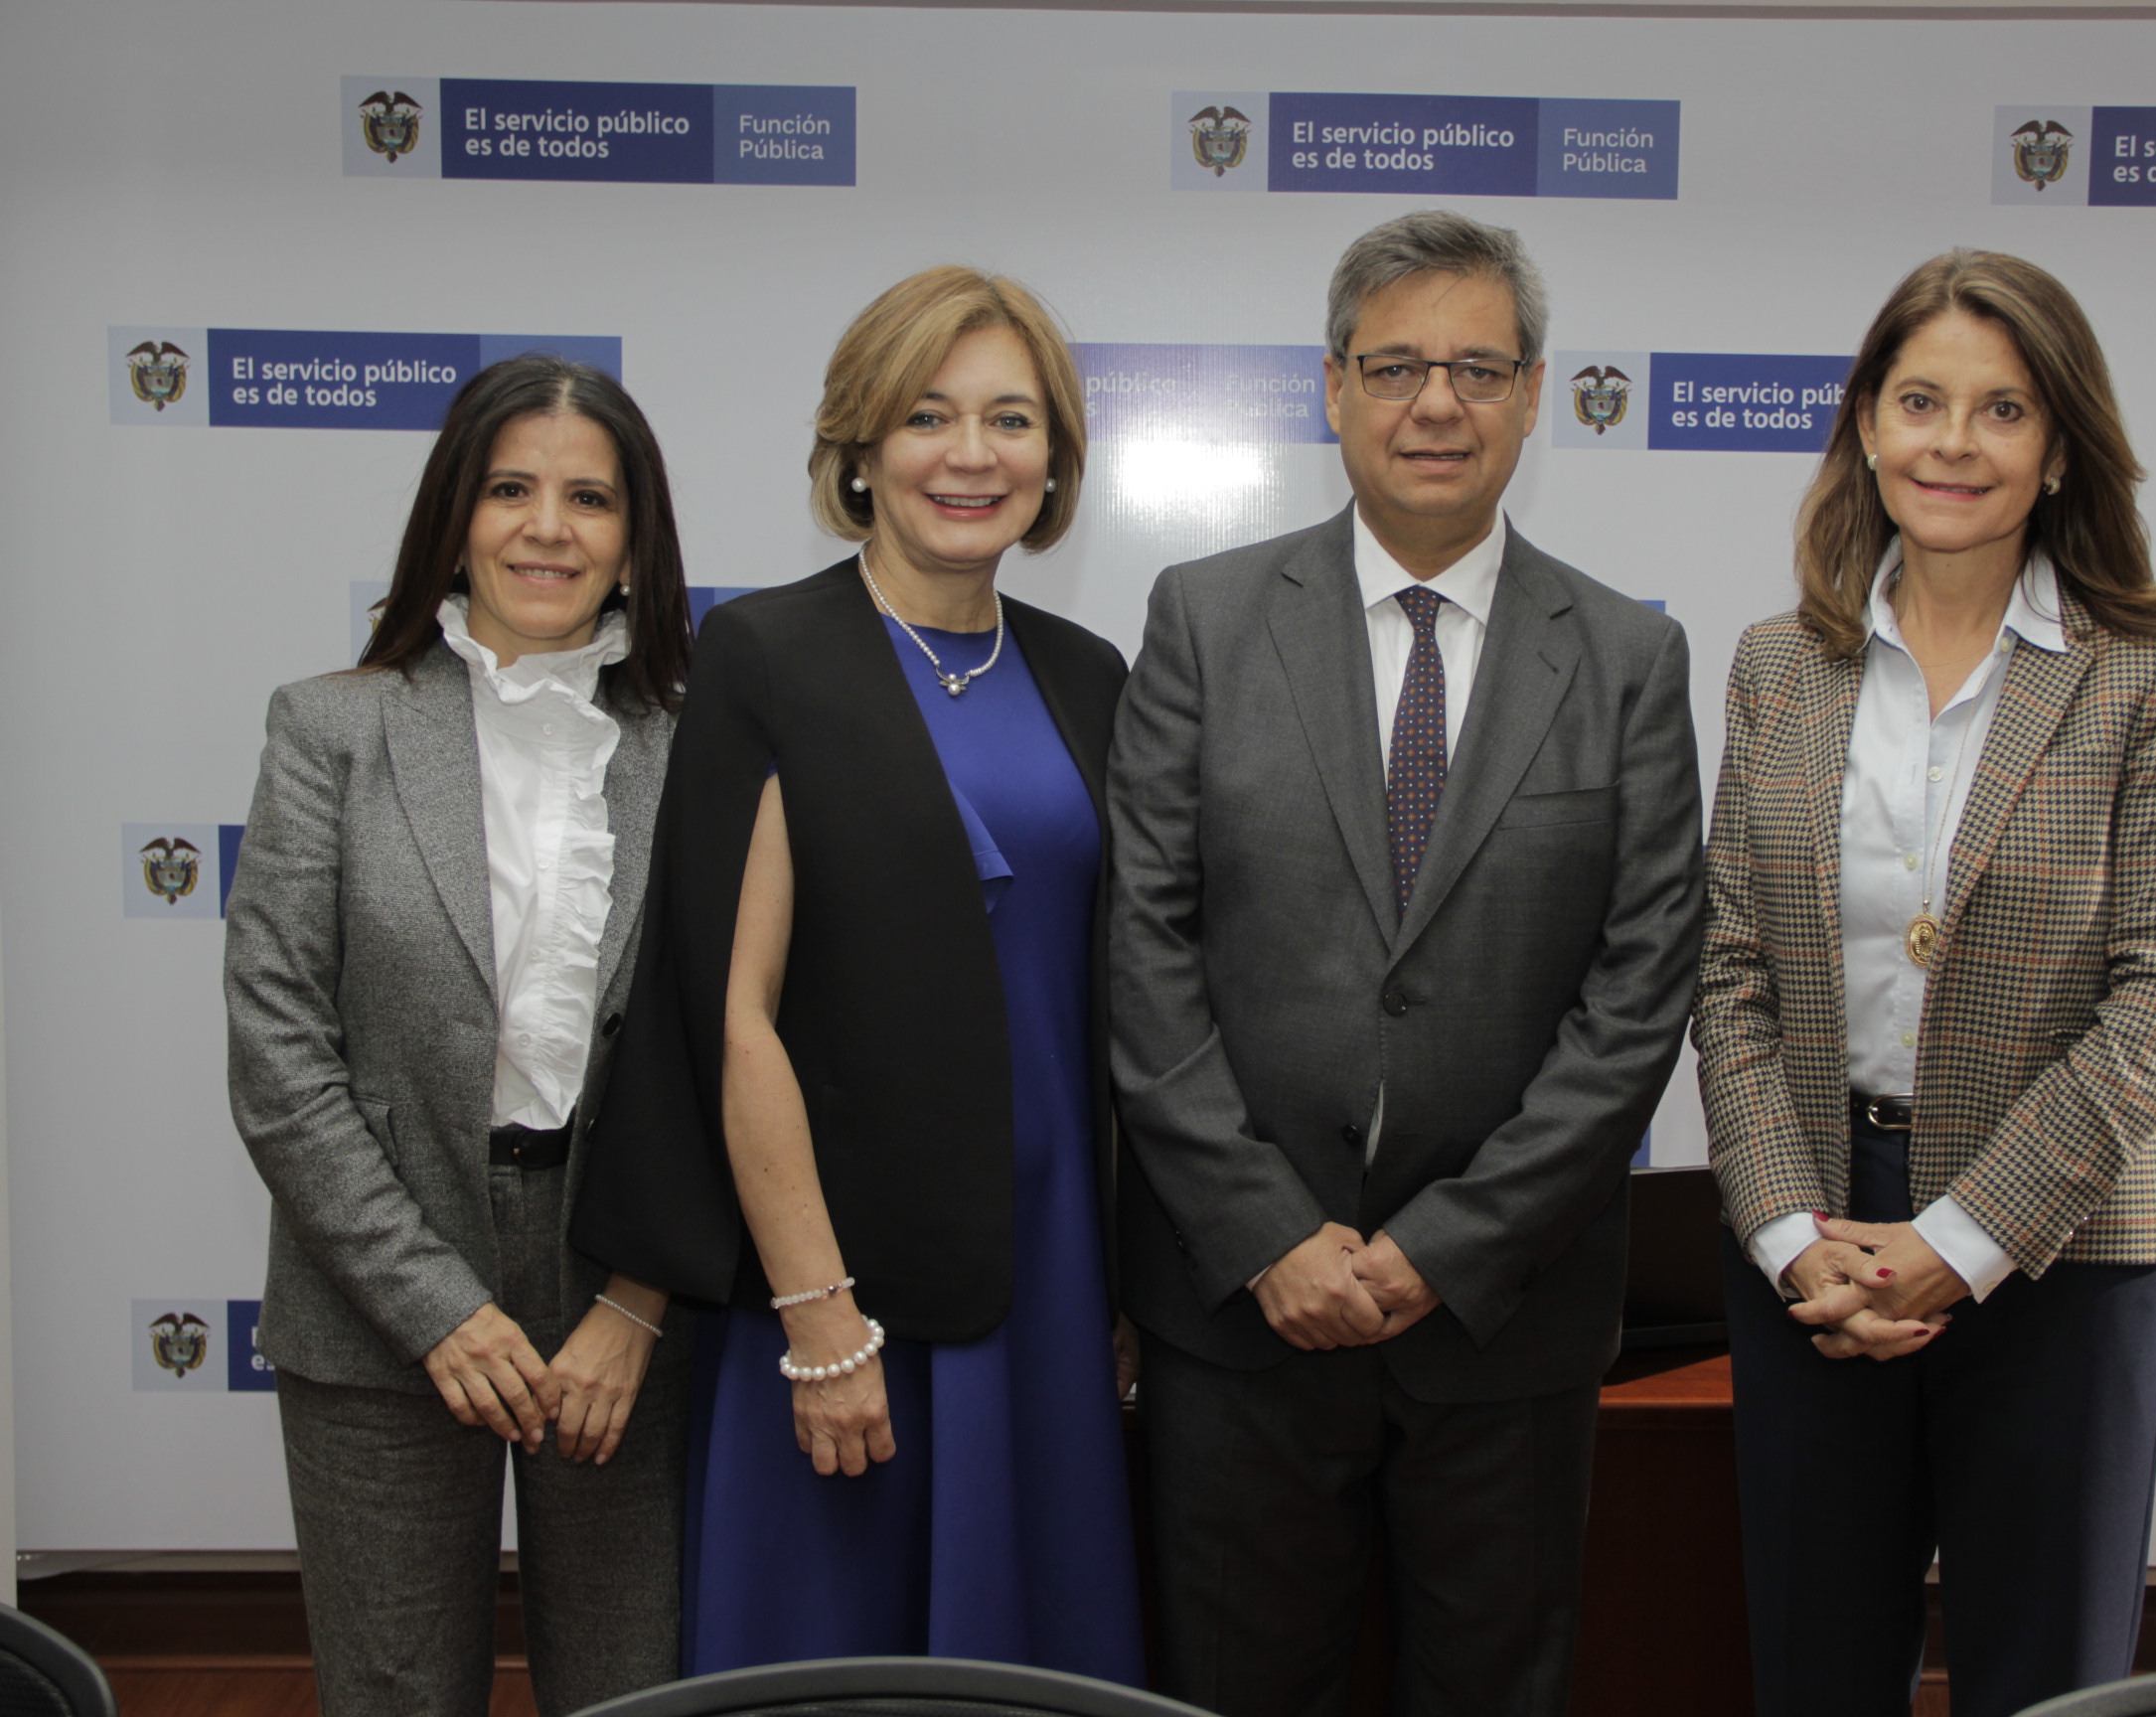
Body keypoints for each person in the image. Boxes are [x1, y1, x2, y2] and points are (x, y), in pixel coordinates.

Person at [1109, 209, 1703, 1717]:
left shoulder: (1628, 656)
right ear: (1331, 389)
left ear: (1537, 392)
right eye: (1396, 367)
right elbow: (1144, 946)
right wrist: (1263, 1231)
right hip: (1243, 1309)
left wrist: (1451, 1245)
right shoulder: (1207, 617)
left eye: (1477, 369)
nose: (1436, 403)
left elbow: (1638, 992)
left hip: (1507, 1318)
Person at [568, 266, 1143, 1681]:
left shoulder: (1089, 675)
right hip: (845, 1282)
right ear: (861, 449)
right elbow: (735, 1019)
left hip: (1057, 1275)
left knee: (1033, 1658)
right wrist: (821, 1320)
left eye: (1012, 419)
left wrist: (1129, 1286)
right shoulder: (772, 654)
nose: (970, 454)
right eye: (928, 416)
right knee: (836, 1657)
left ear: (1055, 458)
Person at [1693, 248, 2156, 1717]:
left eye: (2002, 410)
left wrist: (1965, 1234)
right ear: (1866, 422)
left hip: (2064, 1246)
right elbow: (1730, 976)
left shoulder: (2150, 669)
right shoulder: (1774, 669)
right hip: (1812, 1241)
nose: (1953, 442)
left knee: (2047, 1686)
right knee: (1813, 1674)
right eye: (1920, 399)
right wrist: (1796, 1234)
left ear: (2059, 448)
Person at [225, 353, 693, 1717]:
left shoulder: (706, 737)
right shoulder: (332, 729)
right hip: (379, 1286)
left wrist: (635, 1299)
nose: (547, 527)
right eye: (510, 489)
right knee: (392, 1691)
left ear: (633, 543)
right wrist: (437, 1308)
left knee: (631, 1688)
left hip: (626, 1288)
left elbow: (725, 1041)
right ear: (454, 514)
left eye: (590, 499)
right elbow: (280, 1052)